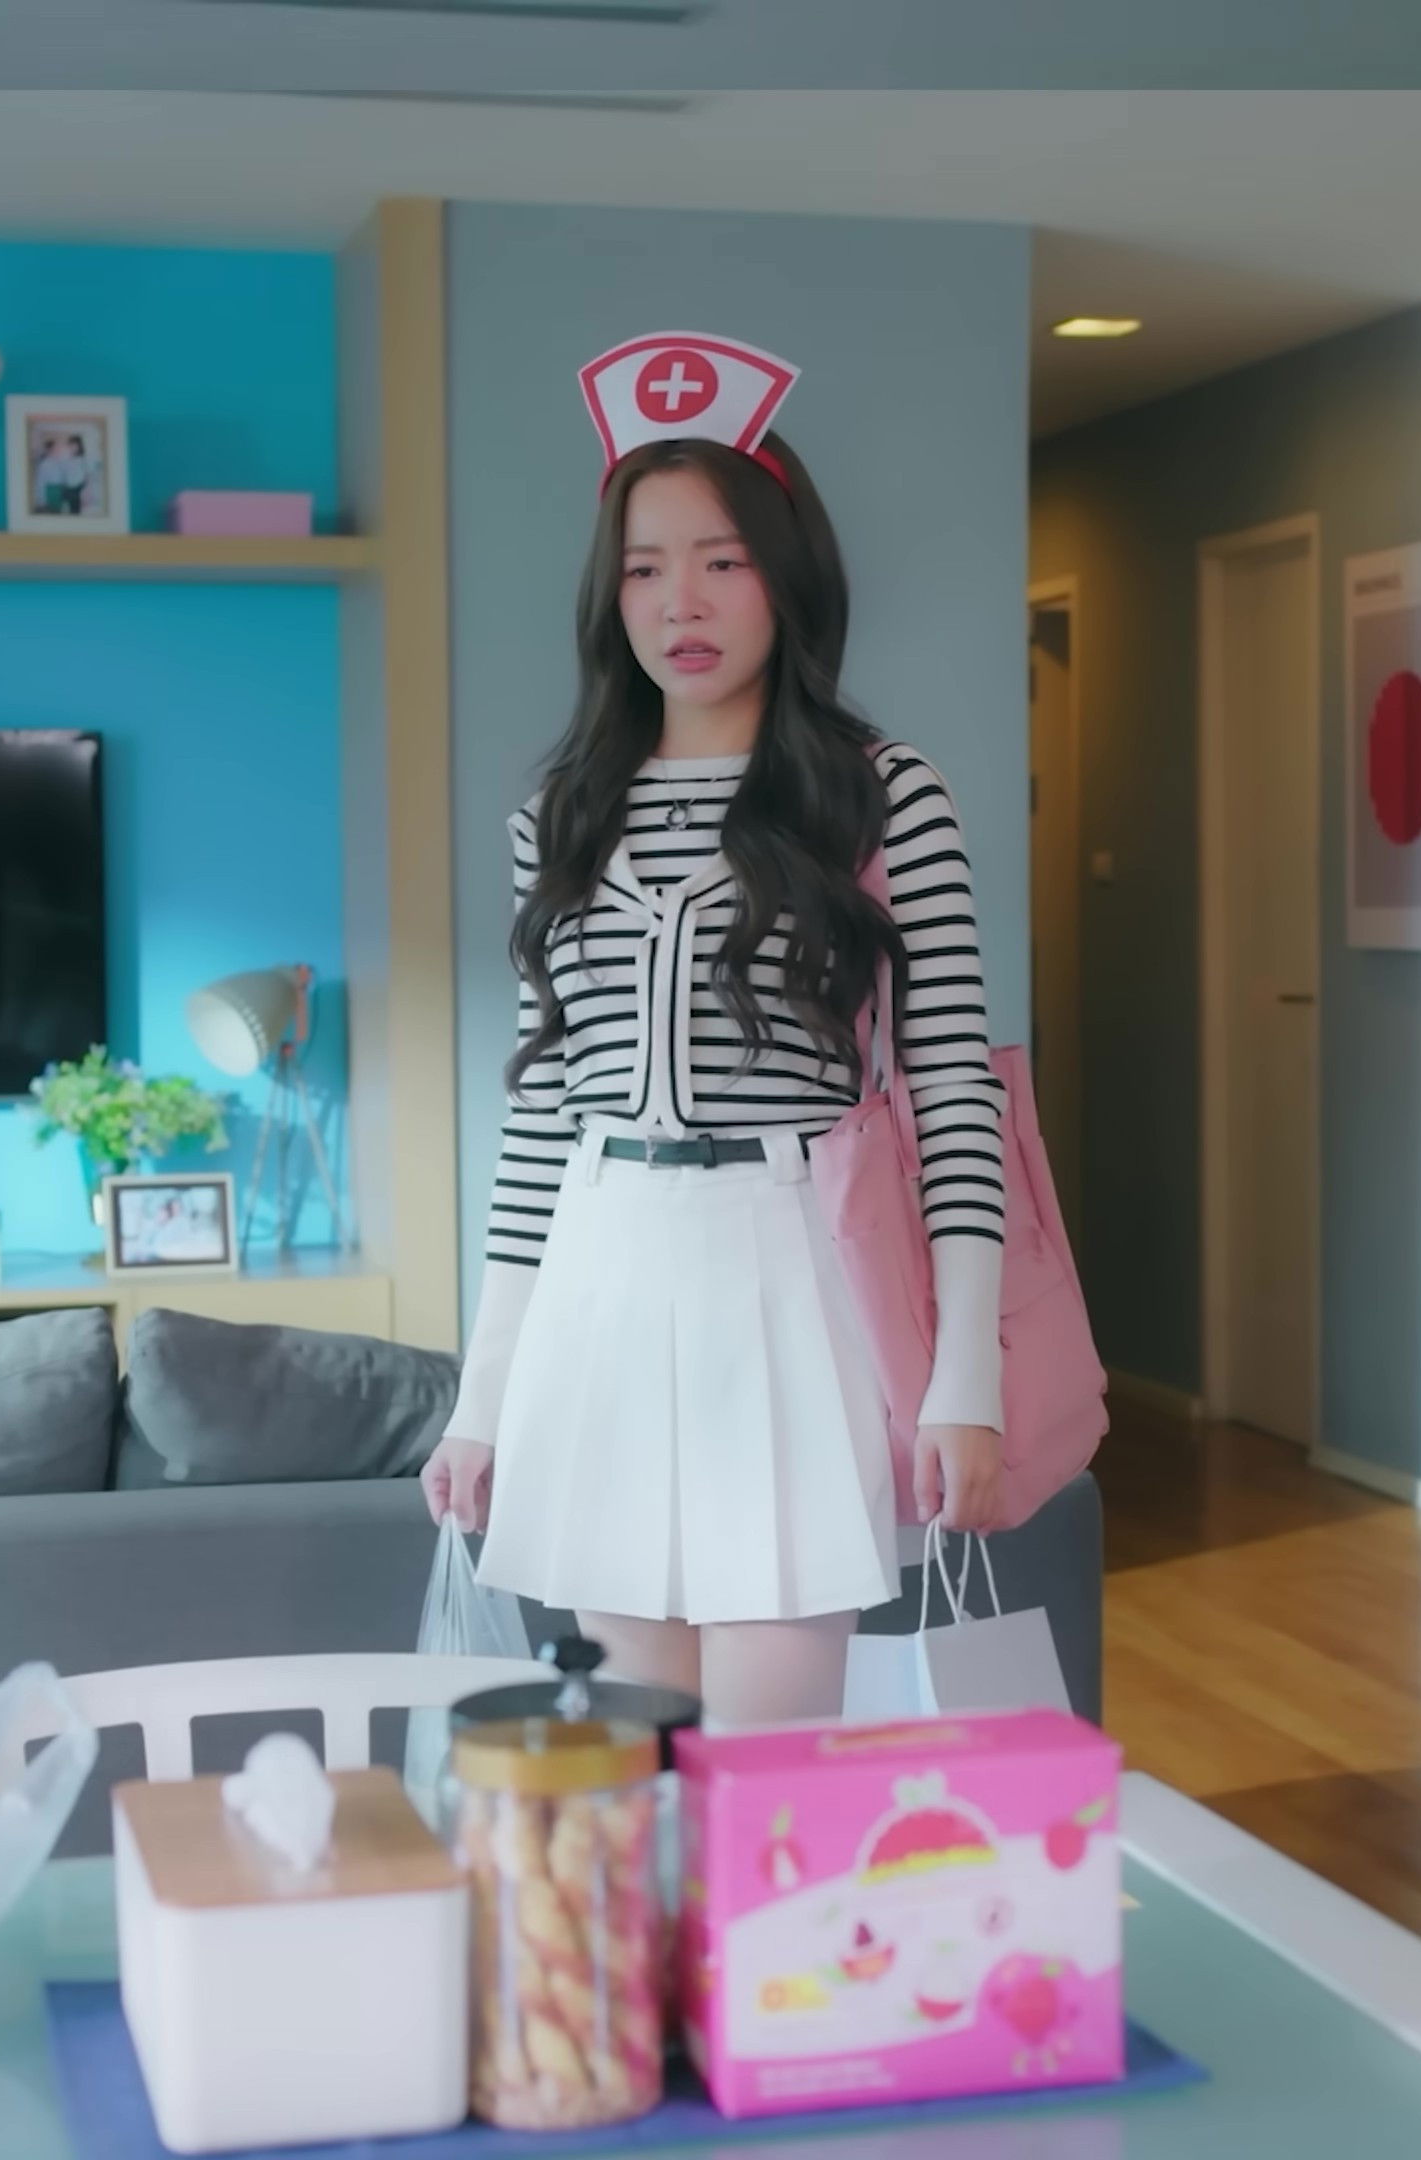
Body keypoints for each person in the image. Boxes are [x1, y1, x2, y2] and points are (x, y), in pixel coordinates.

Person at [422, 344, 1007, 1734]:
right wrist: (482, 1398)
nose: (679, 602)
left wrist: (965, 1382)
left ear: (788, 578)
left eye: (723, 561)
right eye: (644, 568)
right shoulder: (560, 813)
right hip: (603, 1279)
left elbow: (955, 1095)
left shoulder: (883, 795)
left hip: (791, 1272)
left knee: (770, 1762)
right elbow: (542, 1115)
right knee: (634, 1758)